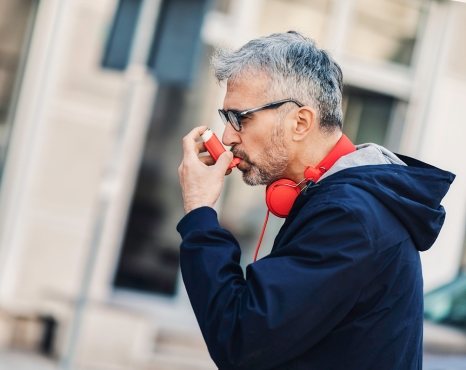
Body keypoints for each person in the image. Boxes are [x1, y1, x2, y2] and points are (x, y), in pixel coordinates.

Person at [177, 31, 455, 370]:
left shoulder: (347, 217)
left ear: (301, 122)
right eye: (226, 120)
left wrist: (200, 211)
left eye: (241, 118)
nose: (227, 137)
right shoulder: (347, 202)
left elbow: (238, 337)